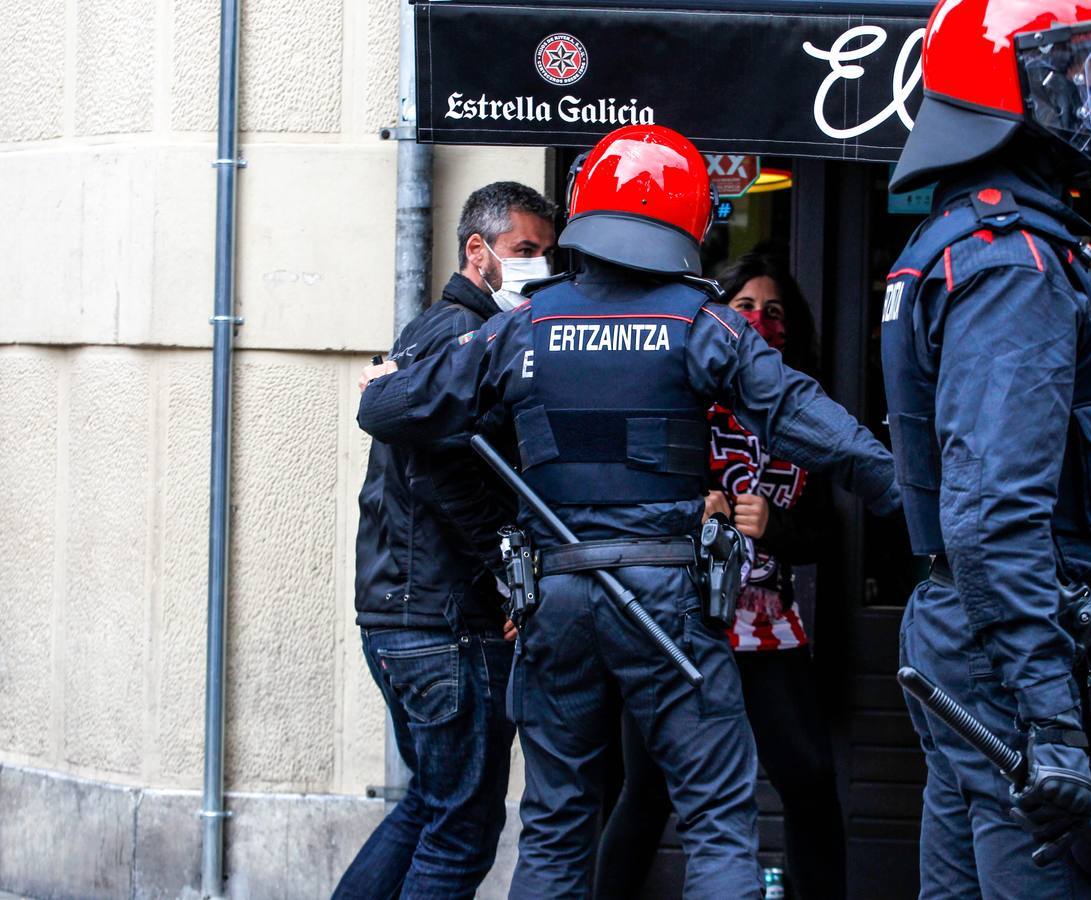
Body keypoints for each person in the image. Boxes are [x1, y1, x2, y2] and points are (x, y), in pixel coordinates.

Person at [357, 124, 902, 899]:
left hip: (556, 601)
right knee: (715, 818)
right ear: (689, 220)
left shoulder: (524, 325)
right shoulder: (698, 322)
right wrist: (911, 505)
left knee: (555, 825)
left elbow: (390, 409)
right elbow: (803, 416)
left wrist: (390, 381)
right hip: (667, 606)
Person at [880, 1, 1091, 896]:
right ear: (1019, 86)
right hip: (1014, 655)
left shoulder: (970, 242)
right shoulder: (1016, 265)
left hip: (977, 637)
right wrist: (1053, 722)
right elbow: (996, 515)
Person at [594, 255, 846, 899]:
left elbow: (826, 535)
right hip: (675, 621)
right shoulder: (677, 393)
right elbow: (620, 492)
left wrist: (776, 527)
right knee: (647, 790)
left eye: (775, 312)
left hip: (766, 628)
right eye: (743, 306)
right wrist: (691, 505)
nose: (759, 320)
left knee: (810, 780)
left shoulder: (801, 416)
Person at [335, 181, 556, 899]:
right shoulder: (460, 338)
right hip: (445, 625)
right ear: (477, 251)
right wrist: (510, 570)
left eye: (547, 256)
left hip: (408, 619)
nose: (538, 269)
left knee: (430, 809)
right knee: (460, 835)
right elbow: (445, 474)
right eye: (525, 251)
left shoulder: (437, 334)